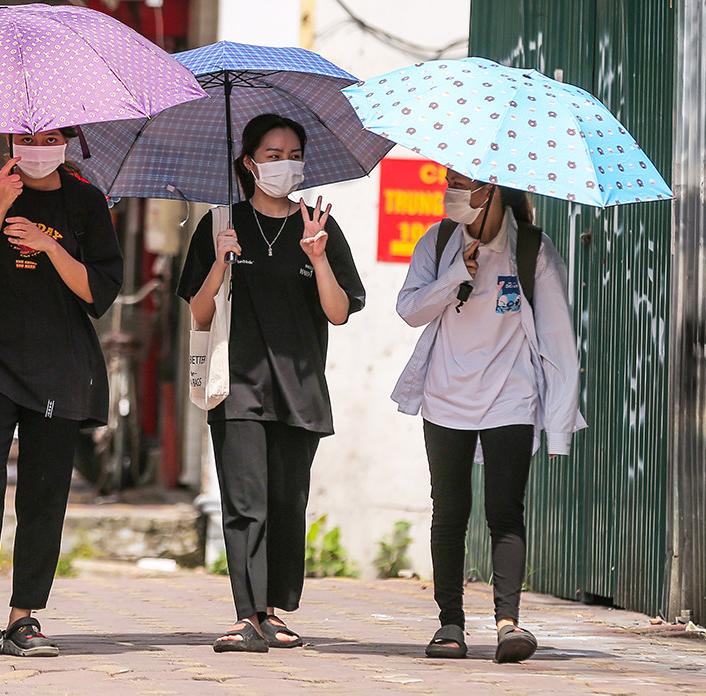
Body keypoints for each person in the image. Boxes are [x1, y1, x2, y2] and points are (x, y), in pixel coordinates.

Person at [176, 113, 365, 653]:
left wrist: (317, 255)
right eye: (273, 154)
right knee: (244, 503)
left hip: (299, 385)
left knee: (287, 503)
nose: (284, 164)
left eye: (292, 155)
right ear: (249, 162)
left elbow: (338, 311)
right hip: (237, 384)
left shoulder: (320, 226)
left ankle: (275, 611)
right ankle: (245, 614)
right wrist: (220, 261)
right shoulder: (220, 224)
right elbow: (199, 311)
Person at [0, 128, 123, 657]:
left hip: (58, 364)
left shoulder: (86, 200)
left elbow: (97, 293)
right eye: (28, 136)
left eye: (52, 136)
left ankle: (24, 616)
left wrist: (49, 246)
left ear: (70, 140)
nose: (40, 145)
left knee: (44, 491)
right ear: (11, 141)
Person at [393, 169, 585, 663]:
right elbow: (410, 309)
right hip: (445, 396)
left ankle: (508, 623)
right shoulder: (437, 242)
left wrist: (560, 426)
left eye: (463, 184)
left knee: (505, 510)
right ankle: (450, 625)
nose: (451, 193)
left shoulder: (532, 252)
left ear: (493, 190)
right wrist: (459, 272)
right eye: (449, 181)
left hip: (510, 397)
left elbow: (561, 342)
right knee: (450, 511)